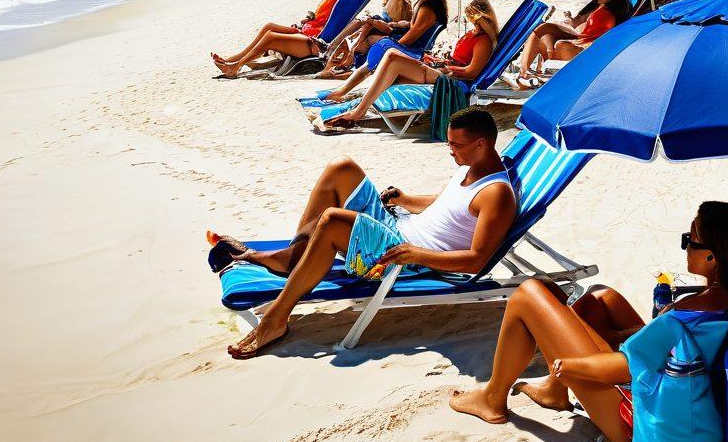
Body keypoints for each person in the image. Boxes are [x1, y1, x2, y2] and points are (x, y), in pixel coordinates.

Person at [449, 201, 728, 442]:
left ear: (713, 257)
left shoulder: (693, 309)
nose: (686, 246)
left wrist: (576, 364)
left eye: (690, 241)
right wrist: (637, 335)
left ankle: (492, 399)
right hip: (690, 395)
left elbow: (623, 370)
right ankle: (553, 390)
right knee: (601, 299)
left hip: (644, 424)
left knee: (530, 293)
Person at [214, 108, 517, 359]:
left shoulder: (496, 195)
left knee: (333, 220)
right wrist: (405, 199)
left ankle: (275, 319)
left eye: (456, 145)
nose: (450, 150)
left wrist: (415, 253)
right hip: (398, 228)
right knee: (341, 167)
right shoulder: (470, 165)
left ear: (481, 144)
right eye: (449, 143)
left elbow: (476, 261)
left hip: (406, 259)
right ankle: (294, 257)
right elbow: (447, 205)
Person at [319, 0, 499, 130]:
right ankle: (353, 104)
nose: (467, 20)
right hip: (444, 70)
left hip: (452, 81)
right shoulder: (473, 35)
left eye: (470, 16)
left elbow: (472, 72)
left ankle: (358, 112)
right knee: (390, 67)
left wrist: (446, 68)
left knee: (391, 56)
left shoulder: (482, 40)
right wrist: (439, 60)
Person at [316, 0, 448, 104]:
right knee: (372, 45)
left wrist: (395, 44)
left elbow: (413, 35)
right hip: (411, 44)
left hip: (414, 50)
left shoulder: (427, 8)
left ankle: (341, 87)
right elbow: (413, 27)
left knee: (379, 48)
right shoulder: (424, 3)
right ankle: (341, 86)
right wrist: (398, 25)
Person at [211, 0, 347, 77]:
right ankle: (235, 58)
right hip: (307, 31)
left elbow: (331, 19)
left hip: (313, 43)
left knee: (270, 36)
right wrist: (311, 20)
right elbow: (326, 19)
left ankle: (235, 67)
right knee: (268, 26)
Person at [515, 0, 630, 87]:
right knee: (543, 33)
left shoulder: (607, 14)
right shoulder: (604, 8)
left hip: (583, 47)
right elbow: (583, 26)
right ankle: (529, 69)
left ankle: (524, 72)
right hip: (580, 41)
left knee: (546, 34)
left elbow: (596, 38)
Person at [318, 0, 413, 78]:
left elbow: (396, 24)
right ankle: (336, 49)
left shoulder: (400, 0)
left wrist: (375, 21)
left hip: (391, 30)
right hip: (382, 26)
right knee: (361, 21)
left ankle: (336, 49)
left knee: (364, 23)